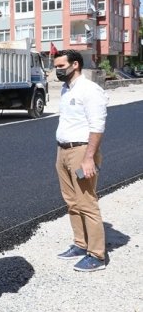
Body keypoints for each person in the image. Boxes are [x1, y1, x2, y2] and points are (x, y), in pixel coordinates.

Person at [53, 49, 108, 272]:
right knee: (71, 201)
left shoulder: (90, 90)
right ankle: (80, 243)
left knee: (87, 202)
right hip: (63, 151)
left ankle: (96, 255)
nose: (57, 70)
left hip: (82, 152)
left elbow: (97, 127)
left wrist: (88, 159)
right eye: (55, 66)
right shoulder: (66, 89)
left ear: (75, 65)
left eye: (60, 66)